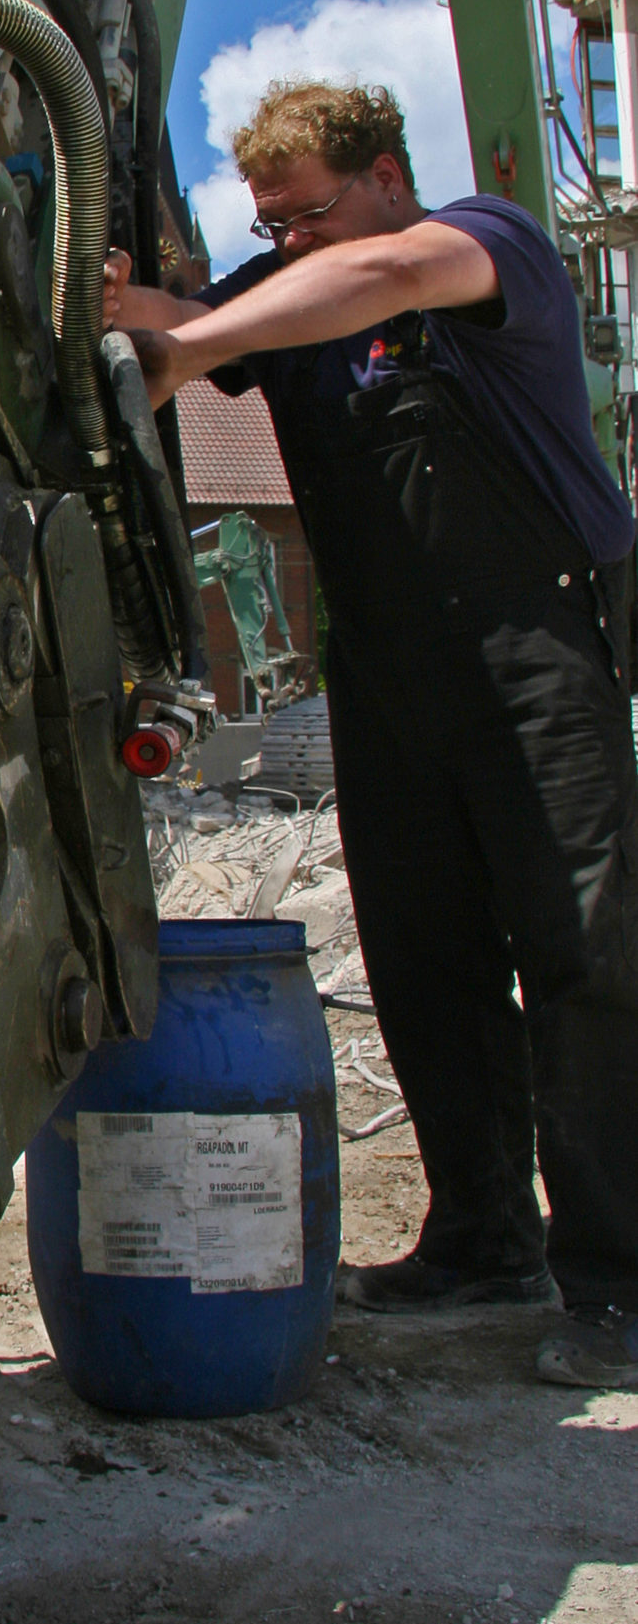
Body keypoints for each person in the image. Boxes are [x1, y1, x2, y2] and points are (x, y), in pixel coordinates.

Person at [106, 79, 638, 1389]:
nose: (289, 244)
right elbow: (187, 319)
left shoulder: (484, 246)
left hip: (535, 653)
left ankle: (624, 1286)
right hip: (388, 673)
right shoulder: (284, 298)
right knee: (423, 957)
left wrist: (194, 338)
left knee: (584, 955)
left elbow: (382, 275)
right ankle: (482, 1243)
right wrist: (119, 306)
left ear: (387, 177)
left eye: (307, 215)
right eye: (270, 225)